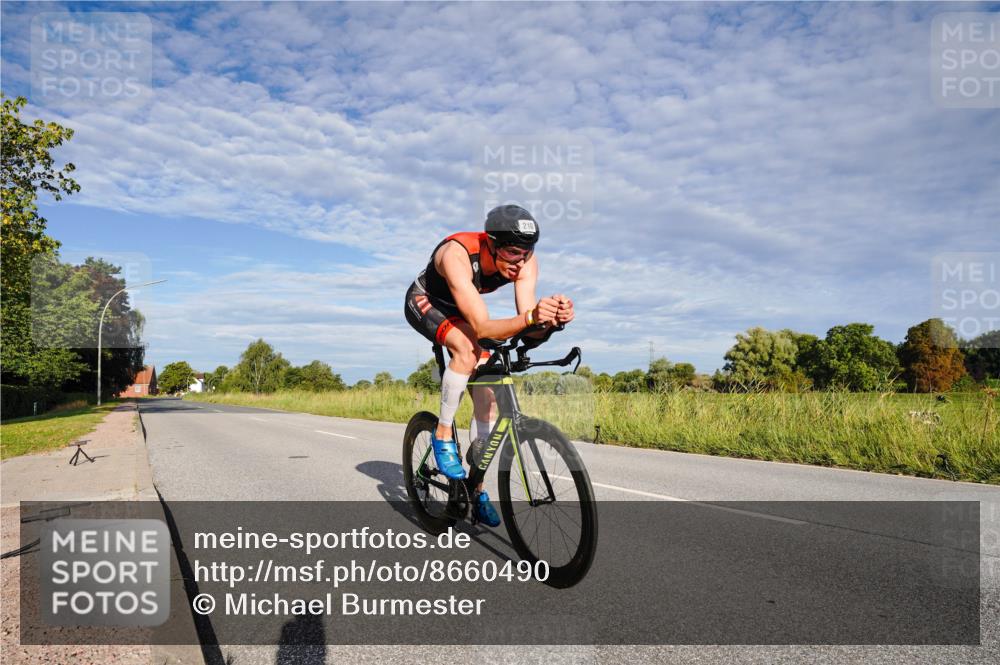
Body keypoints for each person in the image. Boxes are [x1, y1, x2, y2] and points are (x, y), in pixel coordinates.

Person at [404, 204, 574, 526]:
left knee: (489, 396)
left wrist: (551, 321)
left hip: (466, 313)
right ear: (491, 243)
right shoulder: (456, 254)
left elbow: (528, 327)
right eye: (512, 253)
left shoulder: (525, 262)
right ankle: (442, 435)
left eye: (526, 253)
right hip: (427, 302)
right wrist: (532, 317)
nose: (520, 261)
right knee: (467, 349)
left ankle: (476, 486)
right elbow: (481, 328)